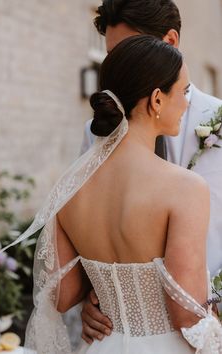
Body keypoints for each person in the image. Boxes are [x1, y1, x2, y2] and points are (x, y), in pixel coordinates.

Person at [80, 0, 222, 343]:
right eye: (111, 56)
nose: (117, 67)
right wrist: (93, 294)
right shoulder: (94, 133)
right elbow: (90, 222)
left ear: (170, 42)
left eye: (127, 51)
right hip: (127, 333)